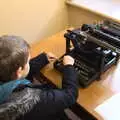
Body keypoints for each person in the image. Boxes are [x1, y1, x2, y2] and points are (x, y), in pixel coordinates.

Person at [0, 35, 78, 120]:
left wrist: (43, 59)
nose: (29, 63)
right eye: (28, 61)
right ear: (19, 71)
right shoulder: (30, 102)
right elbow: (70, 95)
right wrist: (69, 66)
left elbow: (22, 73)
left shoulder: (6, 75)